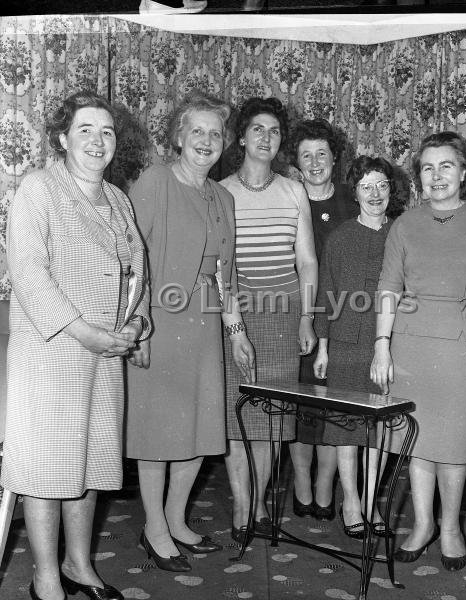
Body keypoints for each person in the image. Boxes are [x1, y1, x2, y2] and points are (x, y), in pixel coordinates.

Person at [2, 91, 151, 600]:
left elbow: (138, 272)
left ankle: (79, 564)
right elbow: (28, 274)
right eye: (86, 129)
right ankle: (45, 578)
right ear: (63, 138)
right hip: (51, 353)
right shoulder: (39, 189)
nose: (98, 140)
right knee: (49, 467)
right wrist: (88, 333)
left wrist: (136, 324)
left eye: (107, 131)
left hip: (105, 354)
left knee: (88, 461)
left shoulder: (117, 199)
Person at [124, 92, 254, 570]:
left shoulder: (222, 196)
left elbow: (228, 273)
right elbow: (131, 261)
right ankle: (153, 528)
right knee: (159, 432)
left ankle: (177, 521)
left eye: (215, 133)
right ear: (178, 137)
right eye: (196, 131)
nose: (206, 140)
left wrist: (237, 331)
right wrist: (136, 326)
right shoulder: (156, 181)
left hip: (203, 324)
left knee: (199, 428)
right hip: (158, 321)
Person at [371, 131, 466, 570]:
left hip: (463, 344)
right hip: (410, 344)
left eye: (446, 165)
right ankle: (423, 523)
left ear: (464, 172)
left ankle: (450, 526)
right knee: (416, 441)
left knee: (451, 443)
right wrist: (382, 347)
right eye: (427, 168)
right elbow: (389, 288)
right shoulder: (406, 223)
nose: (436, 176)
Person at [220, 97, 317, 542]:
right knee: (236, 420)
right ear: (241, 137)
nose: (266, 138)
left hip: (284, 317)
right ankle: (242, 506)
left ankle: (258, 503)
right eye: (257, 129)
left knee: (272, 423)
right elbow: (222, 269)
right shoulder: (221, 191)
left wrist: (306, 319)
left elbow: (307, 262)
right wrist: (236, 326)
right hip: (235, 316)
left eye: (274, 131)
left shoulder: (293, 191)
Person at [313, 156, 404, 538]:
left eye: (381, 185)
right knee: (348, 427)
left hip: (389, 343)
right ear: (355, 192)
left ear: (391, 190)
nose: (375, 193)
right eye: (366, 186)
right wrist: (322, 347)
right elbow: (326, 292)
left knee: (379, 430)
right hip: (346, 343)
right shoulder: (341, 237)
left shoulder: (401, 233)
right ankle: (350, 501)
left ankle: (371, 501)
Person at [287, 119, 358, 522]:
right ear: (296, 163)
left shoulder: (353, 199)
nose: (315, 163)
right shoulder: (289, 199)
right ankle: (300, 481)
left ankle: (324, 486)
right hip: (299, 316)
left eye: (322, 154)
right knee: (302, 407)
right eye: (306, 156)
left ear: (335, 158)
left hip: (346, 319)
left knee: (335, 406)